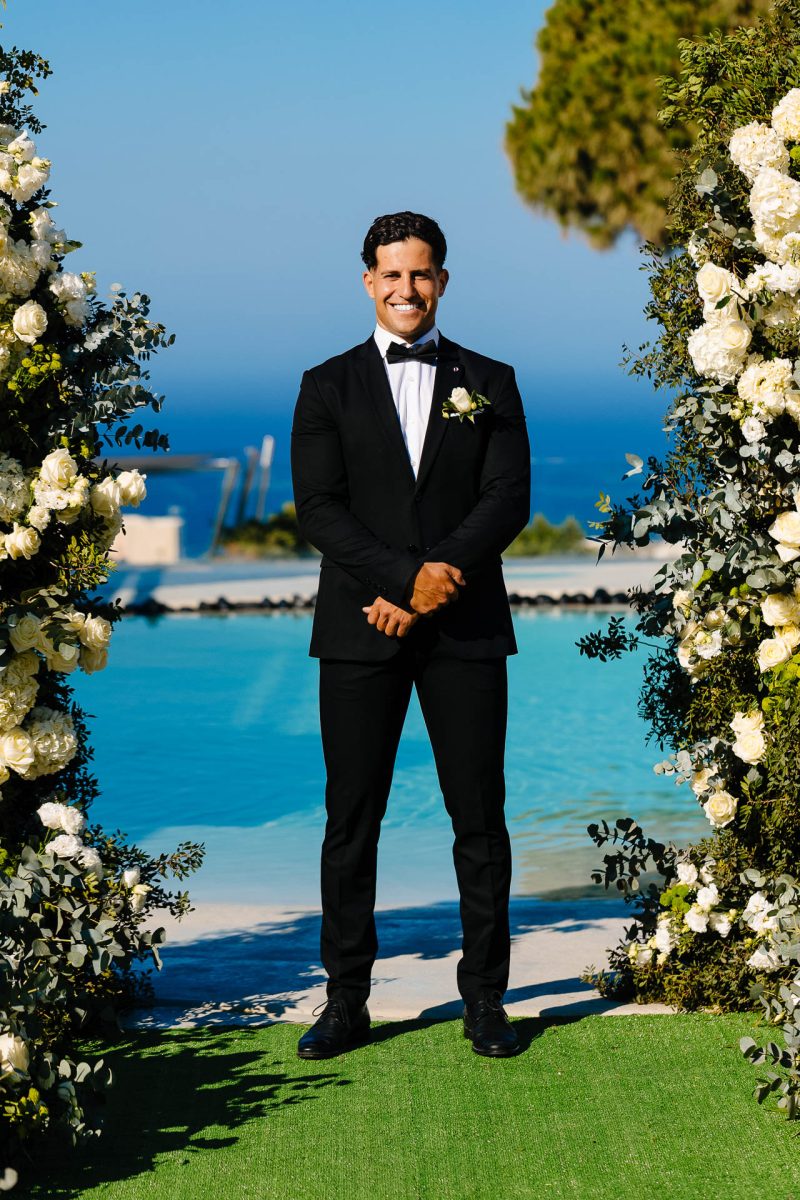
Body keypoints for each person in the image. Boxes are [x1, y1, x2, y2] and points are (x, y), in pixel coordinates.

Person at [290, 211, 531, 1059]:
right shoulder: (325, 385)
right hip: (359, 631)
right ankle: (346, 1000)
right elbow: (319, 508)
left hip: (464, 629)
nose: (406, 289)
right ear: (367, 281)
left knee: (480, 820)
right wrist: (401, 581)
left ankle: (486, 1002)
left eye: (421, 274)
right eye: (391, 275)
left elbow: (506, 499)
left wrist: (429, 587)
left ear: (443, 282)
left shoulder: (491, 379)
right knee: (351, 821)